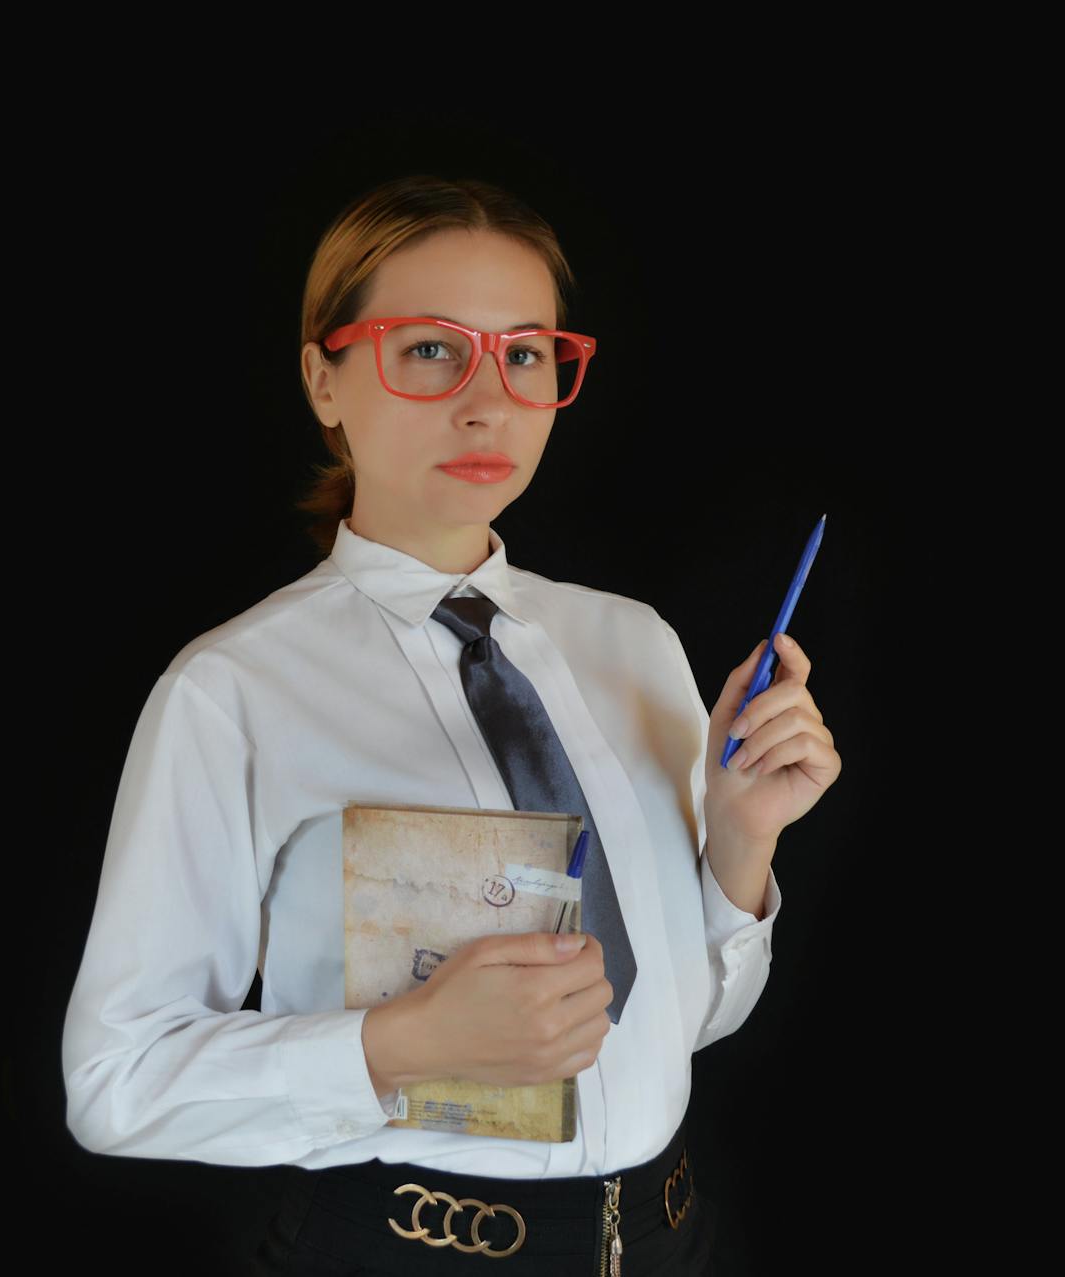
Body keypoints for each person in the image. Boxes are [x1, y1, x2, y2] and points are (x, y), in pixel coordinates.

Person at [61, 175, 843, 1275]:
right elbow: (115, 1083)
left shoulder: (635, 645)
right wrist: (404, 1044)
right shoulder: (231, 690)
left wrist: (739, 846)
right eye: (429, 349)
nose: (489, 402)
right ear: (321, 378)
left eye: (525, 353)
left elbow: (681, 1024)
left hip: (675, 1241)